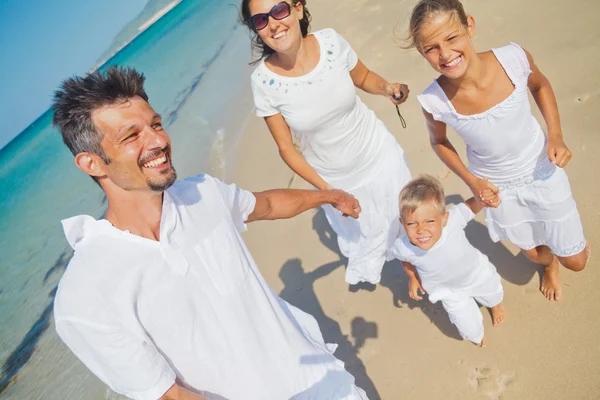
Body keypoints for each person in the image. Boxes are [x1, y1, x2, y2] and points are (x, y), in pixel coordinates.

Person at [51, 66, 369, 400]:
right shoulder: (84, 297)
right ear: (92, 164)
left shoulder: (203, 194)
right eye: (132, 136)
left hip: (327, 383)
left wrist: (329, 196)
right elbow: (169, 396)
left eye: (155, 124)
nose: (158, 141)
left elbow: (268, 205)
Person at [405, 0, 589, 301]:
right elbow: (439, 142)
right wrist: (471, 181)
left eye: (452, 38)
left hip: (540, 169)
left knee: (577, 262)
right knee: (534, 254)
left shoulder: (513, 59)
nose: (446, 54)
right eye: (432, 48)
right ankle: (549, 264)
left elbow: (540, 85)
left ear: (470, 27)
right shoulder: (434, 101)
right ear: (422, 52)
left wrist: (555, 136)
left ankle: (563, 250)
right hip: (496, 188)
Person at [241, 0, 412, 286]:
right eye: (260, 20)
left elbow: (365, 77)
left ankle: (417, 272)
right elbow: (286, 148)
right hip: (336, 179)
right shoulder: (263, 82)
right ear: (256, 29)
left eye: (279, 10)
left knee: (410, 219)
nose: (272, 23)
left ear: (297, 8)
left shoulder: (331, 42)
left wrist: (388, 89)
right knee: (372, 237)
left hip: (379, 154)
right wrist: (329, 192)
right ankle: (411, 270)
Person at [391, 175, 505, 346]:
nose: (421, 230)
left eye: (429, 221)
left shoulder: (453, 221)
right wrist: (413, 278)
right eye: (412, 224)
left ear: (444, 219)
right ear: (402, 223)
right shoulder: (403, 246)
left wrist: (483, 198)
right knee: (468, 327)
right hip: (447, 291)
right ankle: (477, 335)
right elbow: (404, 259)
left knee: (492, 293)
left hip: (475, 273)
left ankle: (495, 304)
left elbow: (470, 207)